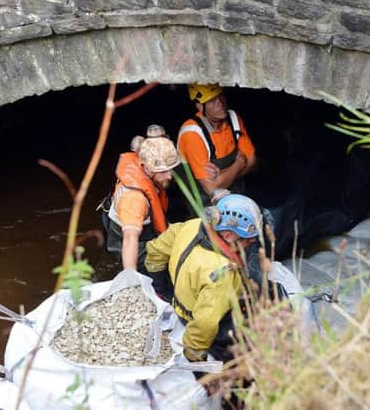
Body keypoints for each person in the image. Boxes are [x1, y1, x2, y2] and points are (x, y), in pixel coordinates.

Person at [144, 193, 263, 363]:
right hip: (198, 319)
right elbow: (205, 323)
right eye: (247, 239)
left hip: (180, 301)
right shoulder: (223, 274)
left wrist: (161, 288)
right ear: (228, 235)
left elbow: (155, 251)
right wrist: (195, 357)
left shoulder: (191, 226)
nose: (251, 242)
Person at [100, 125, 181, 272]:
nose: (169, 176)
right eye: (163, 171)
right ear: (148, 168)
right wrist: (131, 276)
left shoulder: (145, 164)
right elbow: (130, 239)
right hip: (133, 247)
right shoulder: (134, 199)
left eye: (170, 169)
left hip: (146, 232)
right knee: (180, 249)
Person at [176, 84, 257, 205]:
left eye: (220, 96)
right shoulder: (192, 133)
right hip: (204, 206)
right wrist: (239, 164)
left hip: (236, 196)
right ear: (200, 106)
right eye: (212, 101)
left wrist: (222, 177)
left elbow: (252, 162)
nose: (220, 103)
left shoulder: (233, 118)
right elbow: (211, 189)